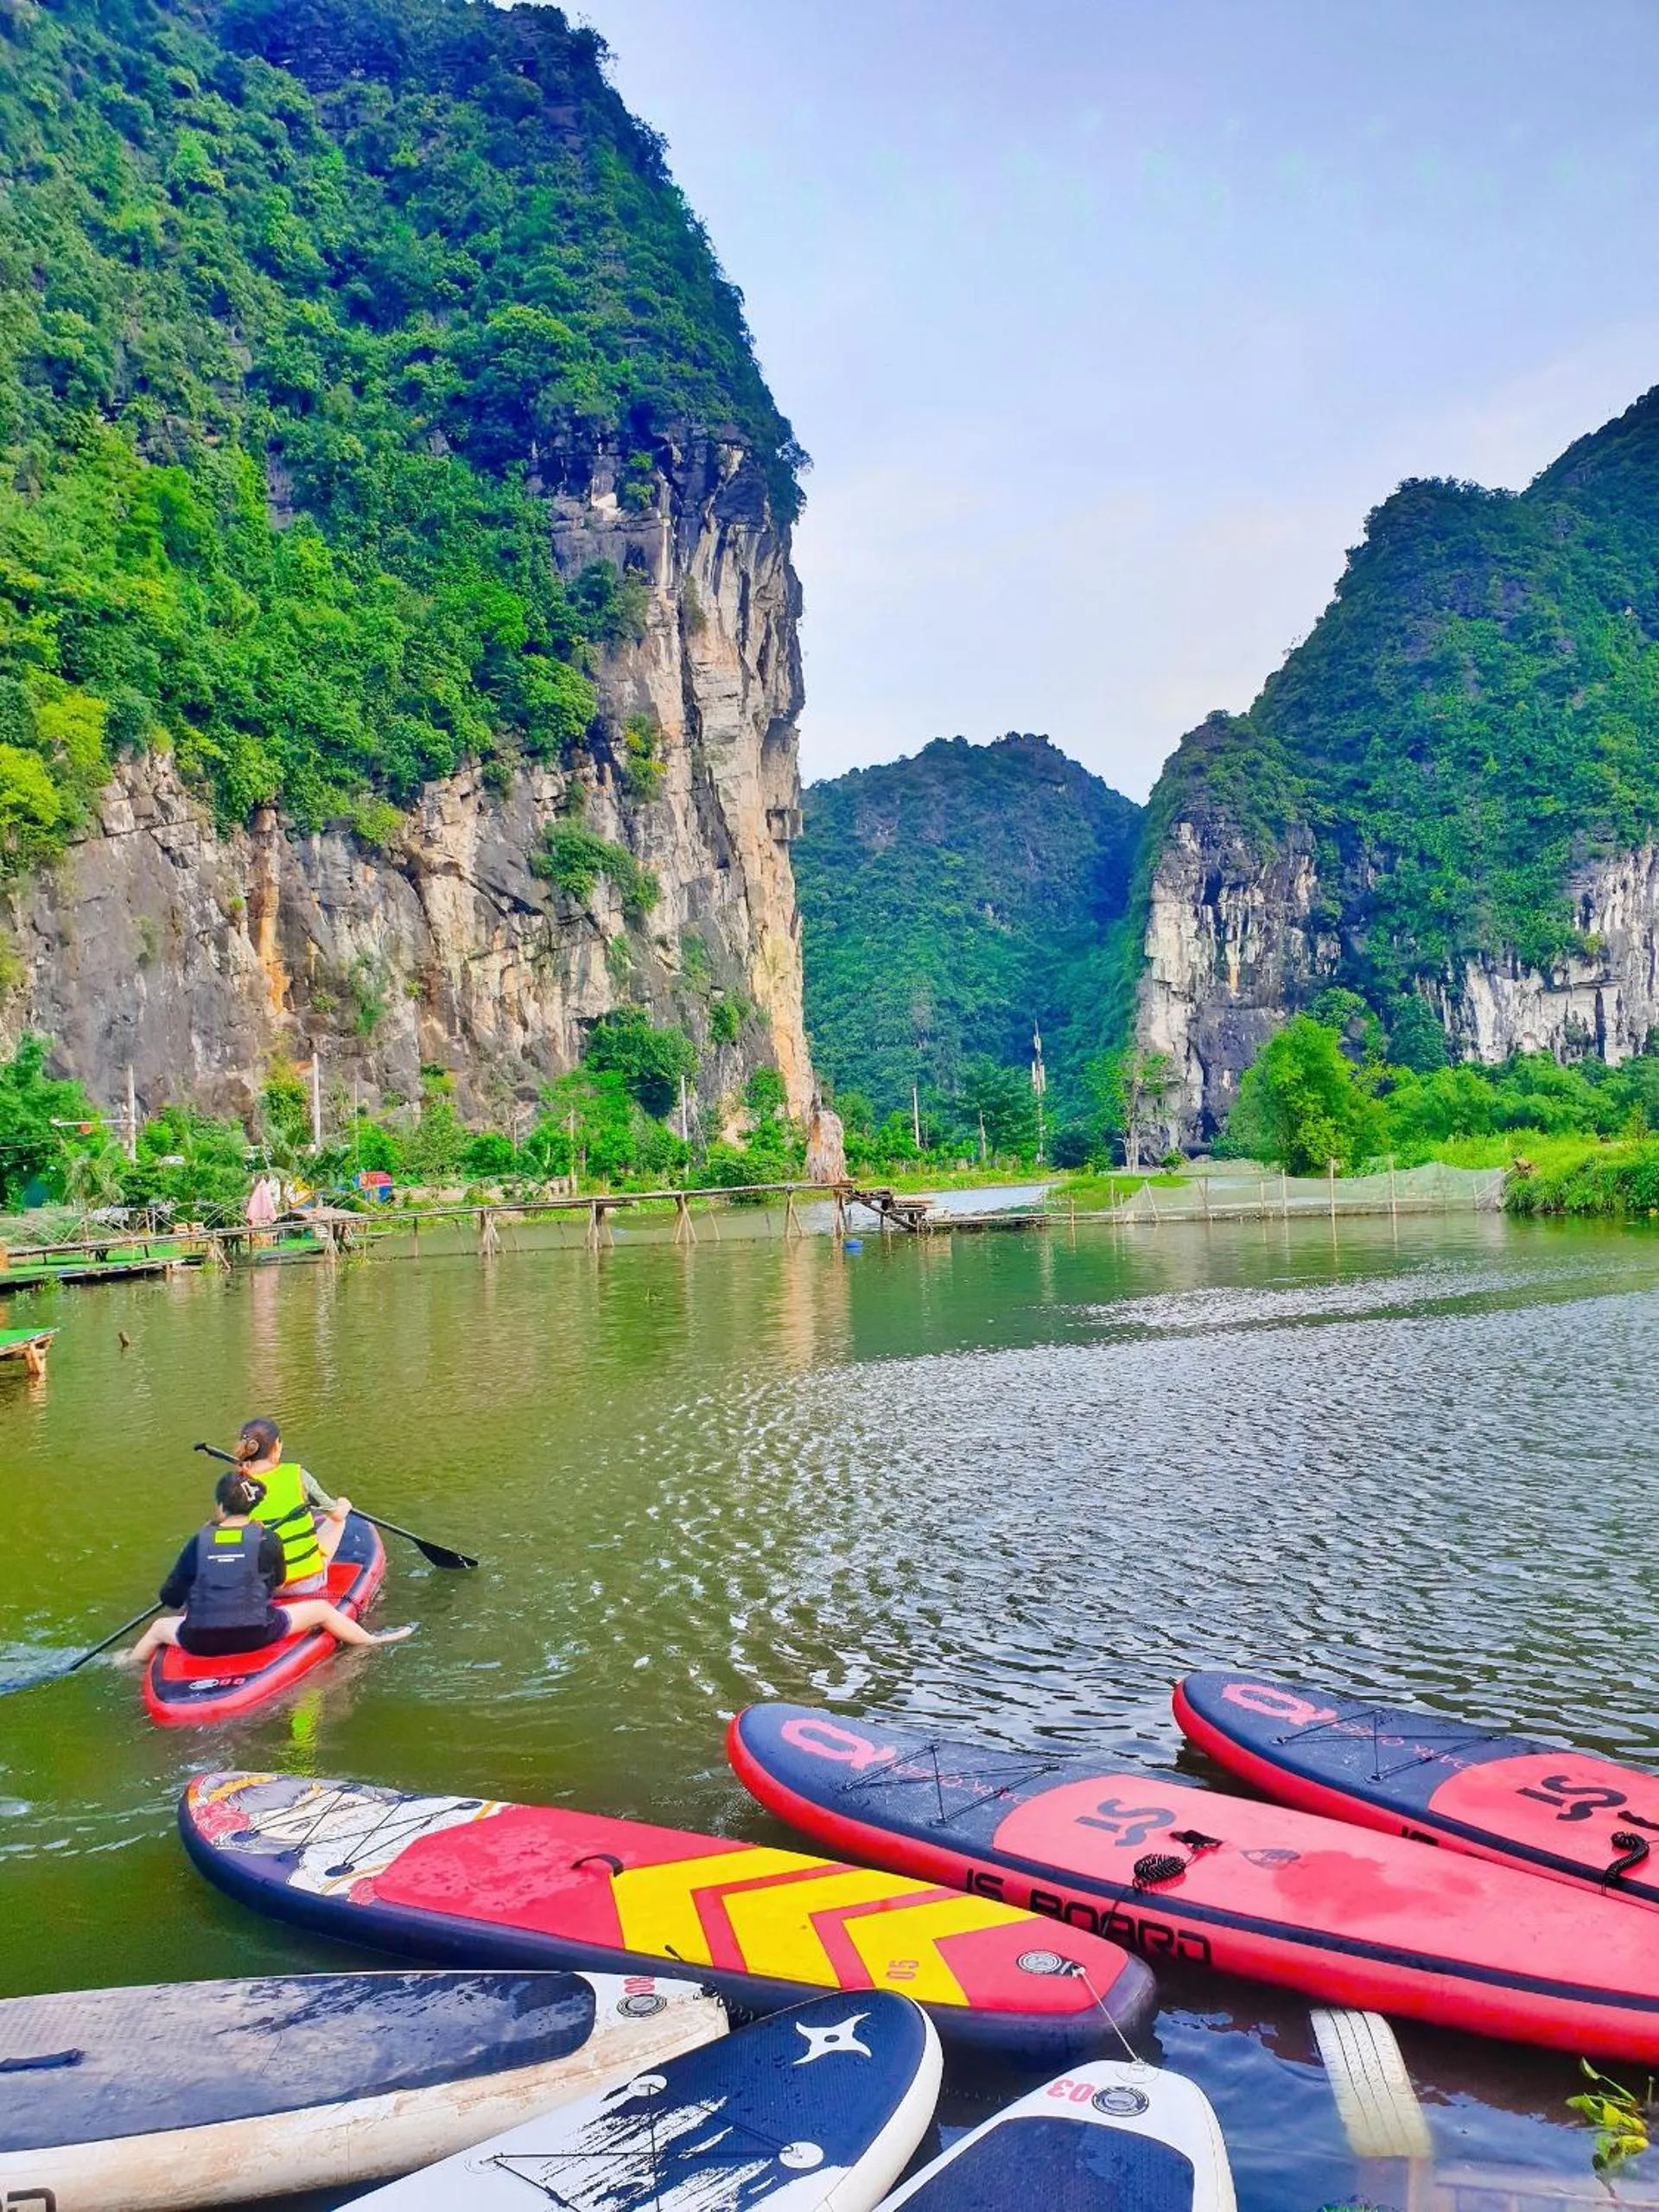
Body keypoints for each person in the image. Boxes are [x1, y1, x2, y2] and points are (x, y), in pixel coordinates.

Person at [123, 1470, 413, 1666]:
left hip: (198, 1640)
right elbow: (277, 1582)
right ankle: (371, 1641)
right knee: (322, 1611)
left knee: (159, 1627)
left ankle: (128, 1662)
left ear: (220, 1507)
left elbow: (171, 1598)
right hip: (257, 1633)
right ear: (253, 1508)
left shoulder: (197, 1542)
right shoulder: (268, 1540)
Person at [234, 1416, 351, 1594]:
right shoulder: (297, 1474)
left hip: (261, 1586)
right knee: (338, 1521)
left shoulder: (234, 1485)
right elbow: (336, 1515)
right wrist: (344, 1504)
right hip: (305, 1583)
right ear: (276, 1447)